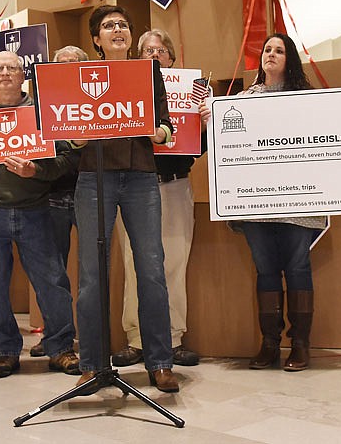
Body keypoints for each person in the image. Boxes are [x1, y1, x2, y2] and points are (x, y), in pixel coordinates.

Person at [0, 51, 80, 378]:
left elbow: (68, 159)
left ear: (24, 76)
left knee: (52, 282)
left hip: (36, 209)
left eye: (13, 67)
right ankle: (5, 350)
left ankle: (61, 348)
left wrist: (37, 170)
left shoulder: (42, 112)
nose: (6, 73)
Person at [73, 6, 178, 393]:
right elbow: (68, 130)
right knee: (91, 275)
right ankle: (93, 365)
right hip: (93, 176)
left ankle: (160, 362)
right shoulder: (80, 76)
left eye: (123, 24)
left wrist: (159, 132)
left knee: (151, 268)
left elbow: (167, 124)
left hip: (140, 177)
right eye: (108, 26)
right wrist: (76, 138)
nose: (117, 29)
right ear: (96, 40)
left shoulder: (149, 72)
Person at [227, 33, 326, 371]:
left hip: (299, 202)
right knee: (266, 270)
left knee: (297, 267)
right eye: (267, 49)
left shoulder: (307, 100)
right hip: (256, 203)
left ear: (290, 59)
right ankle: (269, 344)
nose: (270, 54)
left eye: (279, 50)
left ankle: (300, 345)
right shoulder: (241, 101)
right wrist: (212, 120)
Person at [112, 29, 205, 368]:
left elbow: (199, 147)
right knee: (134, 262)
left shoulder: (190, 93)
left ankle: (173, 336)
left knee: (175, 262)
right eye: (147, 50)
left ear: (171, 57)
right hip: (136, 184)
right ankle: (136, 339)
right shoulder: (127, 87)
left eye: (160, 50)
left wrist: (204, 123)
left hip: (175, 183)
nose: (153, 55)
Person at [29, 45, 88, 359]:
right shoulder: (40, 103)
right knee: (52, 274)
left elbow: (73, 149)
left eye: (74, 63)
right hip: (50, 196)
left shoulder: (95, 97)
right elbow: (41, 144)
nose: (66, 67)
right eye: (60, 63)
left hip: (88, 193)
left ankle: (93, 338)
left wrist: (64, 149)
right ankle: (56, 337)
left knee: (92, 271)